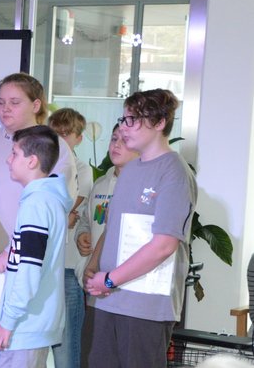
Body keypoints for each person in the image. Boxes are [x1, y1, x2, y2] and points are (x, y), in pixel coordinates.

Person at [0, 73, 76, 368]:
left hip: (23, 264)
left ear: (36, 104)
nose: (5, 109)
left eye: (14, 102)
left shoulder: (52, 146)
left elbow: (55, 207)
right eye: (0, 102)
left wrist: (12, 249)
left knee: (18, 347)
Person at [84, 89, 196, 367]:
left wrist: (110, 279)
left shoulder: (174, 172)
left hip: (145, 307)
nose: (124, 127)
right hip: (109, 300)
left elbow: (164, 245)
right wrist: (97, 270)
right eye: (123, 119)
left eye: (132, 120)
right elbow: (113, 229)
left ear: (159, 123)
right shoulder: (130, 169)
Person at [0, 125, 70, 367]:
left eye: (14, 153)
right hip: (32, 322)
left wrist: (8, 321)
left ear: (32, 161)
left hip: (26, 325)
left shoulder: (36, 204)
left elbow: (28, 269)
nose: (8, 160)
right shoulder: (45, 200)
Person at [76, 124, 138, 367]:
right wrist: (82, 234)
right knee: (95, 355)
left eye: (124, 140)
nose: (116, 145)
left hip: (125, 288)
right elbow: (86, 218)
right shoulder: (101, 182)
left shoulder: (142, 186)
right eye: (113, 139)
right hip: (95, 286)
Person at [46, 107, 95, 368]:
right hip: (43, 265)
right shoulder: (41, 166)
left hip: (67, 266)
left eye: (67, 134)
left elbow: (64, 206)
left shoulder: (82, 169)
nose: (61, 139)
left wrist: (62, 215)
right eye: (56, 133)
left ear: (79, 138)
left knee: (67, 341)